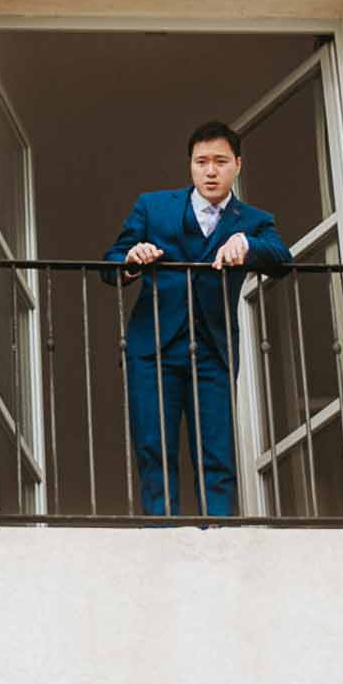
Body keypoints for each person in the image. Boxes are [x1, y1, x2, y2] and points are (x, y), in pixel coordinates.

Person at [102, 120, 291, 518]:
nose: (210, 170)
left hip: (213, 350)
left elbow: (282, 260)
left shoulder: (253, 220)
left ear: (237, 165)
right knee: (154, 447)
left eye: (220, 161)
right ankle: (162, 535)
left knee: (217, 450)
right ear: (189, 166)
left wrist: (248, 244)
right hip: (153, 347)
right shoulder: (153, 207)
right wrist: (132, 260)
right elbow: (110, 264)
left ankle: (219, 538)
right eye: (201, 161)